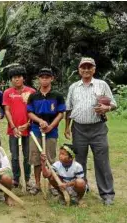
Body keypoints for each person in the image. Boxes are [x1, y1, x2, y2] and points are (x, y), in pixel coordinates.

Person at [64, 57, 117, 205]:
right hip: (78, 128)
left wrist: (107, 108)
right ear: (79, 69)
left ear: (94, 69)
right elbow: (68, 108)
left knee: (102, 161)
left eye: (89, 67)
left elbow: (113, 103)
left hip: (98, 128)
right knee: (79, 162)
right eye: (83, 67)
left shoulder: (102, 85)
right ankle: (81, 189)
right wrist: (67, 127)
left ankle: (107, 194)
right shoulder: (73, 87)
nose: (86, 70)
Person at [28, 68, 66, 195]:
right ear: (39, 79)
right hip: (36, 130)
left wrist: (50, 126)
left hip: (51, 130)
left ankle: (51, 185)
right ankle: (37, 185)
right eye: (42, 77)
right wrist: (40, 121)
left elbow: (61, 113)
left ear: (52, 79)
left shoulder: (58, 95)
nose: (44, 79)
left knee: (50, 157)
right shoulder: (33, 96)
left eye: (47, 77)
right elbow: (29, 113)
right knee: (36, 158)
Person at [3, 65, 36, 188]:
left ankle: (26, 179)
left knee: (27, 156)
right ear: (11, 80)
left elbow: (33, 110)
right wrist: (13, 127)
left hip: (28, 129)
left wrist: (27, 124)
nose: (16, 79)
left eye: (19, 77)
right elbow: (6, 110)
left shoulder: (31, 92)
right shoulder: (7, 93)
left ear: (24, 78)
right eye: (14, 77)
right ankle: (16, 179)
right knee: (15, 156)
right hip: (13, 130)